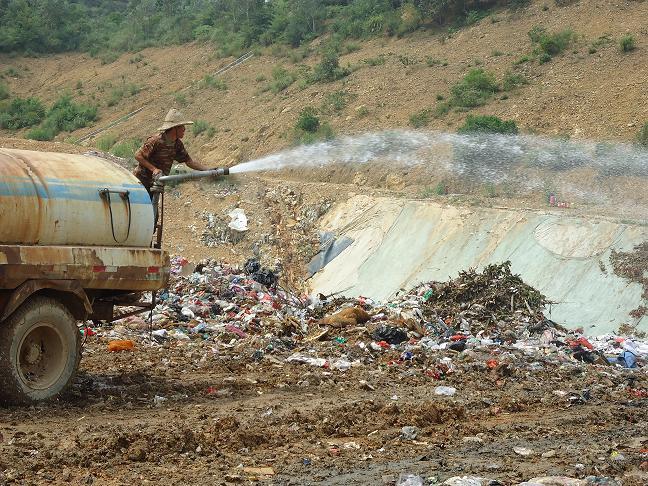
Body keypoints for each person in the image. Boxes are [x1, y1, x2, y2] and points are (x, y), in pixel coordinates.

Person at [133, 108, 212, 194]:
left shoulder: (177, 144)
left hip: (156, 184)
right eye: (182, 126)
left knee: (152, 206)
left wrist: (208, 170)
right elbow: (138, 156)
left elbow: (189, 162)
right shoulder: (156, 141)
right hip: (140, 183)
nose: (184, 129)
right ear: (175, 128)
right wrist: (154, 169)